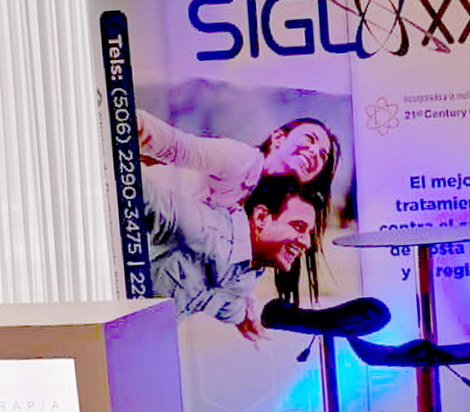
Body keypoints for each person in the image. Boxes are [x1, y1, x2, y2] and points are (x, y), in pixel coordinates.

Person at [136, 108, 339, 303]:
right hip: (135, 201)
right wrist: (128, 122)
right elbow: (177, 146)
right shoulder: (240, 159)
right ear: (278, 138)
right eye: (310, 139)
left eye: (323, 155)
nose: (314, 152)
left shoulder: (270, 213)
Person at [145, 172, 323, 341]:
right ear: (261, 218)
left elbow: (231, 305)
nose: (307, 243)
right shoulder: (207, 227)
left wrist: (246, 319)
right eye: (298, 227)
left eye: (309, 234)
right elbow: (141, 193)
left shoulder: (248, 276)